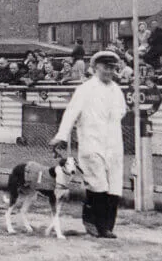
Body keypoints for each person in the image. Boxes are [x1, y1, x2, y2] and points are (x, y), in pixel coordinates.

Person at [50, 51, 126, 239]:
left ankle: (108, 226)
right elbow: (71, 113)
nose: (109, 71)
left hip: (113, 143)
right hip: (91, 142)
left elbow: (121, 112)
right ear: (95, 68)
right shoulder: (85, 89)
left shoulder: (116, 89)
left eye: (112, 68)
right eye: (105, 67)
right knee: (97, 183)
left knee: (114, 184)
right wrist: (61, 135)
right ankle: (92, 222)